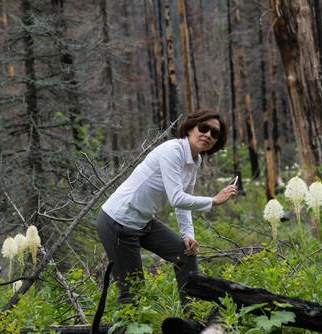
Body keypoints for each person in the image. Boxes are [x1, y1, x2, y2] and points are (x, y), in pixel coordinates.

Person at [96, 108, 237, 306]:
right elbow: (177, 199)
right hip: (117, 222)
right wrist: (213, 200)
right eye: (204, 128)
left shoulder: (195, 160)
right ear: (190, 128)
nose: (208, 135)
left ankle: (191, 318)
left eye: (215, 133)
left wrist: (188, 235)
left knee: (186, 254)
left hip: (143, 221)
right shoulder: (173, 151)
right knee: (132, 293)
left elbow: (183, 204)